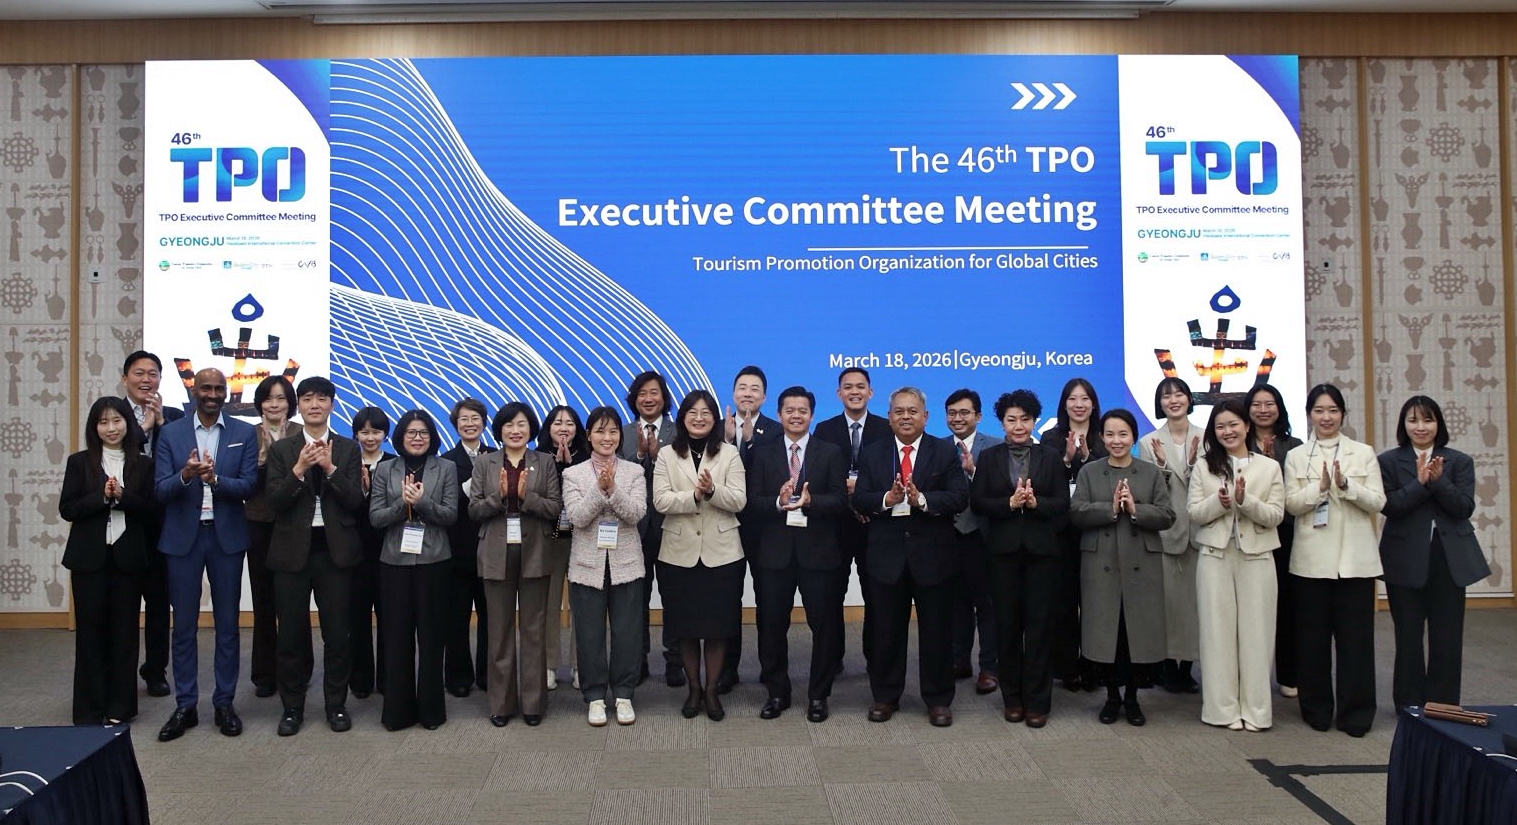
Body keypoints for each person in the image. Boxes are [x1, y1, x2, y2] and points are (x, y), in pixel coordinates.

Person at [152, 368, 259, 742]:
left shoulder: (244, 432)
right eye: (205, 388)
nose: (212, 394)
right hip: (183, 539)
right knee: (183, 626)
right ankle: (186, 705)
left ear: (226, 393)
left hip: (226, 538)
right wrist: (185, 474)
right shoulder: (171, 433)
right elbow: (159, 490)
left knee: (228, 625)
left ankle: (224, 703)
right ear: (193, 391)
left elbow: (249, 485)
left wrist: (215, 480)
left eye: (218, 388)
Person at [852, 387, 967, 727]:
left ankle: (938, 699)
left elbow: (959, 497)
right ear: (889, 417)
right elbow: (860, 499)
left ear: (925, 417)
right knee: (886, 631)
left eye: (912, 411)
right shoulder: (873, 452)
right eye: (899, 411)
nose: (905, 417)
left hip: (933, 556)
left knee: (937, 632)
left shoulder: (943, 451)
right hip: (886, 556)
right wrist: (887, 499)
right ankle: (885, 696)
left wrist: (923, 500)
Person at [263, 376, 365, 736]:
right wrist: (300, 469)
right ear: (299, 406)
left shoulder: (348, 448)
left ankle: (336, 706)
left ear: (332, 405)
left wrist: (330, 469)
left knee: (337, 635)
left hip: (334, 554)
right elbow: (274, 502)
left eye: (322, 398)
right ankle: (292, 709)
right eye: (307, 399)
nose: (315, 405)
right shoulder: (282, 450)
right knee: (290, 636)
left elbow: (355, 501)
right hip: (292, 553)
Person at [1283, 384, 1385, 737]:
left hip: (1355, 562)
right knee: (1312, 641)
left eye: (1333, 411)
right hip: (1311, 561)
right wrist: (1319, 489)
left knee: (1356, 643)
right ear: (1309, 415)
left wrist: (1346, 485)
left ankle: (1356, 714)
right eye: (1319, 411)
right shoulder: (1297, 455)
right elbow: (1291, 504)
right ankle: (1316, 710)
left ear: (1343, 414)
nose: (1326, 417)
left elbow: (1378, 501)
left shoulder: (1363, 452)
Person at [744, 386, 848, 723]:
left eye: (803, 410)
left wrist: (811, 501)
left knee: (824, 626)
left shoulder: (830, 452)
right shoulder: (763, 453)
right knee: (771, 625)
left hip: (819, 552)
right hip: (774, 554)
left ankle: (818, 695)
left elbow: (840, 500)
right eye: (789, 410)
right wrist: (778, 502)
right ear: (779, 414)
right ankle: (777, 692)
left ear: (812, 415)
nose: (796, 415)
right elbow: (752, 502)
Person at [1378, 395, 1488, 709]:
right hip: (1404, 558)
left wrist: (1438, 482)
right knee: (1408, 636)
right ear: (1403, 425)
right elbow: (1390, 506)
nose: (1421, 427)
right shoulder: (1388, 461)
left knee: (1447, 638)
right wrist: (1420, 482)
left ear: (1438, 424)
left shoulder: (1459, 461)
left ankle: (1443, 704)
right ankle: (1409, 704)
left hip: (1448, 558)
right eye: (1413, 420)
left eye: (1428, 420)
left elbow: (1464, 508)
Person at [1068, 409, 1174, 727]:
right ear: (1101, 437)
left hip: (1141, 563)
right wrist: (1111, 509)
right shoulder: (1089, 471)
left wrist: (1136, 509)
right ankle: (1112, 697)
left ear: (1133, 437)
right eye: (1110, 434)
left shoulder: (1150, 472)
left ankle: (1132, 698)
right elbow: (1076, 512)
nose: (1117, 440)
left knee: (1134, 633)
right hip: (1101, 564)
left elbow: (1168, 515)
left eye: (1123, 434)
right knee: (1107, 633)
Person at [970, 389, 1069, 728]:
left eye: (1025, 419)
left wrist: (1036, 503)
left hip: (1042, 554)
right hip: (1002, 554)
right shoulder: (990, 457)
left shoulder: (1050, 456)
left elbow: (1062, 504)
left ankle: (1038, 701)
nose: (1018, 426)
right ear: (1002, 422)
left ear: (1034, 421)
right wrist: (1008, 504)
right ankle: (1012, 698)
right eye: (1011, 420)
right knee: (1007, 628)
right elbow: (978, 502)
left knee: (1040, 629)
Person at [1188, 399, 1285, 732]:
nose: (1227, 431)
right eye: (1220, 426)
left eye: (1233, 424)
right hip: (1214, 557)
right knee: (1216, 636)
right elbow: (1194, 513)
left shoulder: (1269, 467)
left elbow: (1275, 516)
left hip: (1257, 558)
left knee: (1258, 635)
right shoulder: (1204, 466)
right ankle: (1221, 709)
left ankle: (1256, 711)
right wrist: (1220, 502)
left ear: (1246, 426)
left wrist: (1245, 501)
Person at [652, 389, 748, 721]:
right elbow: (660, 501)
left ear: (714, 419)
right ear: (682, 418)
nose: (699, 417)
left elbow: (739, 500)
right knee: (686, 628)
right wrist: (694, 495)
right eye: (692, 412)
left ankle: (711, 690)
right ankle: (693, 688)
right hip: (678, 554)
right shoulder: (667, 454)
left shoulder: (729, 453)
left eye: (706, 412)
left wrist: (712, 491)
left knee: (718, 627)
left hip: (722, 554)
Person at [61, 396, 153, 726]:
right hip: (89, 560)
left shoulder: (143, 464)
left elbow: (151, 510)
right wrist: (101, 497)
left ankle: (119, 707)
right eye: (103, 422)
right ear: (94, 427)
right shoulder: (79, 462)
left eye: (117, 421)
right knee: (90, 632)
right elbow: (68, 509)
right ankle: (89, 708)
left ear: (128, 423)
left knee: (125, 634)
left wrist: (123, 497)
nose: (111, 428)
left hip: (128, 560)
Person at [470, 402, 563, 727]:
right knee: (499, 630)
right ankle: (501, 704)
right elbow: (474, 510)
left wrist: (526, 497)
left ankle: (534, 703)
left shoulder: (544, 461)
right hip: (495, 552)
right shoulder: (485, 462)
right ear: (499, 429)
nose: (515, 430)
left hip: (535, 550)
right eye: (509, 425)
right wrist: (499, 496)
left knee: (534, 629)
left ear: (531, 428)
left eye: (521, 424)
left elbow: (555, 508)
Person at [370, 410, 458, 731]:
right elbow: (376, 518)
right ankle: (398, 712)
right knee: (397, 637)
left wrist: (421, 502)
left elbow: (450, 515)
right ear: (401, 436)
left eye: (423, 432)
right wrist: (402, 504)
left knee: (432, 637)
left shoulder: (445, 468)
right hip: (394, 562)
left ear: (431, 437)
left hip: (434, 561)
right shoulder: (385, 469)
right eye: (411, 432)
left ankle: (431, 711)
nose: (417, 438)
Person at [562, 406, 648, 726]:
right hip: (587, 565)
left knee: (627, 632)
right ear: (588, 436)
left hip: (627, 563)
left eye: (613, 431)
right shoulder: (573, 474)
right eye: (600, 431)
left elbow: (635, 513)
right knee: (589, 634)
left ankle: (624, 694)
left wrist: (613, 489)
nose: (607, 437)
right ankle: (595, 696)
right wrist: (600, 490)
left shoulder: (634, 472)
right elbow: (577, 517)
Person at [812, 367, 891, 673]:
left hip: (875, 524)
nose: (854, 391)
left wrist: (864, 492)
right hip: (836, 526)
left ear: (870, 392)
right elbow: (818, 476)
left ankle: (876, 658)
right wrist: (847, 496)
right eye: (848, 387)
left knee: (877, 596)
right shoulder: (825, 429)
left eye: (860, 386)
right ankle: (832, 659)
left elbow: (893, 473)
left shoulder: (886, 428)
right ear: (839, 393)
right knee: (832, 595)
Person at [121, 350, 181, 698]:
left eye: (153, 374)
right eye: (139, 373)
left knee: (159, 602)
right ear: (125, 378)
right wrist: (142, 429)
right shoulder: (111, 414)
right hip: (125, 519)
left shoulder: (173, 416)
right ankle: (122, 671)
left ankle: (156, 670)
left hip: (162, 521)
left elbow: (180, 461)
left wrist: (160, 426)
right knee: (125, 603)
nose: (146, 380)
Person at [1138, 377, 1203, 694]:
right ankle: (1166, 666)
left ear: (1189, 399)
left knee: (1194, 606)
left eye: (1179, 394)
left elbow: (1209, 483)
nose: (1173, 400)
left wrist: (1191, 464)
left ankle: (1187, 668)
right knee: (1167, 606)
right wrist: (1164, 467)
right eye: (1166, 396)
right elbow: (1148, 491)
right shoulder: (1148, 442)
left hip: (1200, 533)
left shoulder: (1207, 438)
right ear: (1159, 403)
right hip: (1166, 534)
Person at [1041, 377, 1106, 692]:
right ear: (1064, 404)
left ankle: (1095, 665)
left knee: (1095, 602)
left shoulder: (1105, 436)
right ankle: (1067, 667)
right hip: (1061, 532)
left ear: (1093, 404)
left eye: (1084, 399)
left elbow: (1109, 478)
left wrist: (1088, 458)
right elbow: (1046, 481)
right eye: (1072, 399)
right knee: (1063, 601)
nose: (1079, 404)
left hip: (1097, 529)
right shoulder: (1050, 438)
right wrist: (1067, 459)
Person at [719, 365, 780, 693]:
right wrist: (728, 441)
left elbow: (772, 476)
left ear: (764, 397)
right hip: (725, 527)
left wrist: (749, 442)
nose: (747, 393)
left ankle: (770, 669)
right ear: (733, 393)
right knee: (727, 600)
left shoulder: (776, 430)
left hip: (763, 529)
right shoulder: (718, 429)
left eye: (755, 388)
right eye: (742, 387)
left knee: (768, 600)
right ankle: (727, 669)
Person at [619, 370, 680, 686]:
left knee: (674, 597)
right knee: (636, 600)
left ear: (663, 397)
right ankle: (638, 659)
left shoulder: (678, 431)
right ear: (634, 399)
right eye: (641, 393)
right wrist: (641, 454)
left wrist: (659, 458)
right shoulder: (622, 433)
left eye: (654, 392)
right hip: (634, 528)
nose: (648, 398)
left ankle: (675, 661)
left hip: (671, 525)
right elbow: (617, 475)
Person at [1245, 383, 1303, 699]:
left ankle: (1289, 673)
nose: (1263, 410)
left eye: (1269, 404)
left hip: (1285, 533)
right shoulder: (1238, 442)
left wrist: (1271, 463)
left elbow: (1293, 490)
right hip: (1247, 531)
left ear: (1279, 408)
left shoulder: (1294, 446)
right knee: (1252, 607)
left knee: (1287, 606)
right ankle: (1251, 677)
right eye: (1257, 404)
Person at [243, 375, 299, 699]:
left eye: (280, 398)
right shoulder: (248, 435)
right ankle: (264, 673)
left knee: (293, 602)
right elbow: (243, 483)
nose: (274, 404)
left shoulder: (301, 433)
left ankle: (297, 670)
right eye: (268, 399)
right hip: (259, 523)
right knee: (263, 601)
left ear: (290, 403)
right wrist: (262, 458)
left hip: (295, 523)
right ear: (260, 404)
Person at [943, 388, 999, 695]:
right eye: (952, 413)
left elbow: (1002, 489)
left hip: (984, 536)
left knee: (987, 604)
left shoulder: (995, 447)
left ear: (977, 416)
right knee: (956, 603)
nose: (958, 418)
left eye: (964, 413)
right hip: (948, 537)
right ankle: (958, 660)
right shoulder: (937, 447)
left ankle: (989, 667)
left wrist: (974, 472)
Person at [441, 398, 493, 697]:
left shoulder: (497, 455)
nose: (470, 423)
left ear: (483, 423)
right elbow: (446, 503)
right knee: (456, 618)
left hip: (492, 549)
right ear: (455, 424)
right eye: (464, 419)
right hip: (457, 550)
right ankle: (458, 676)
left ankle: (489, 675)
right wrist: (474, 481)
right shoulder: (445, 461)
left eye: (475, 418)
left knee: (492, 618)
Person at [537, 404, 589, 691]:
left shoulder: (588, 457)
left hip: (582, 538)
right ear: (549, 428)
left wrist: (570, 466)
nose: (563, 428)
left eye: (569, 423)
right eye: (557, 422)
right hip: (549, 539)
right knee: (548, 604)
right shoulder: (538, 457)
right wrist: (557, 466)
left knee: (583, 605)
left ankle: (582, 665)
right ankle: (549, 664)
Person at [350, 406, 394, 699]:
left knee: (390, 618)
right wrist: (362, 493)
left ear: (385, 434)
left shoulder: (395, 463)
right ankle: (361, 679)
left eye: (376, 432)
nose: (370, 437)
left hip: (388, 551)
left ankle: (388, 679)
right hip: (354, 552)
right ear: (356, 434)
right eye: (364, 432)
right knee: (357, 619)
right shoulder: (346, 462)